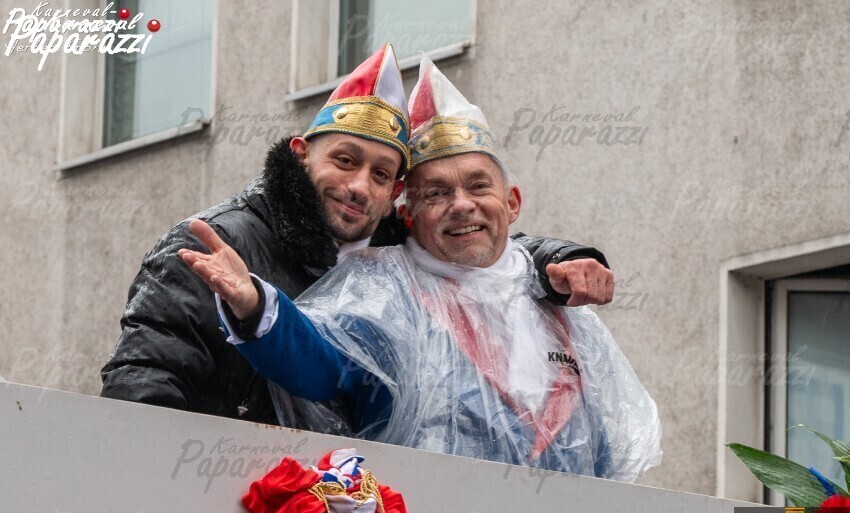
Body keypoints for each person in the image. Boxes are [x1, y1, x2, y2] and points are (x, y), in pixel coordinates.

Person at [181, 57, 661, 481]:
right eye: (435, 193)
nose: (461, 205)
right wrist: (256, 307)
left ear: (512, 202)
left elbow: (604, 451)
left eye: (478, 186)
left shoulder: (556, 296)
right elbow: (319, 366)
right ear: (408, 214)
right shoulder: (380, 290)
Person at [100, 45, 615, 427]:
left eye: (381, 174)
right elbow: (141, 393)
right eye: (345, 161)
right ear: (301, 153)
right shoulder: (209, 246)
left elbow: (476, 250)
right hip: (230, 503)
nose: (358, 187)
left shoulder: (395, 254)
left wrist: (557, 260)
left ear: (395, 195)